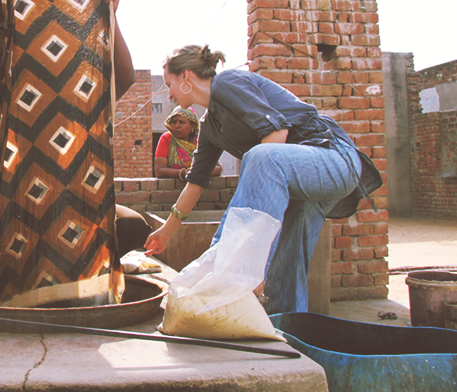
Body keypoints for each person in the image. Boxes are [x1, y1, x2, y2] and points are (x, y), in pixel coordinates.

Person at [145, 45, 381, 314]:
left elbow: (276, 133)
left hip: (331, 157)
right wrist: (166, 232)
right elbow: (196, 182)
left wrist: (255, 255)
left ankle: (237, 269)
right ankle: (288, 335)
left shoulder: (228, 82)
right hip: (297, 178)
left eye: (169, 84)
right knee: (287, 268)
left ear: (185, 77)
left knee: (260, 158)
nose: (169, 93)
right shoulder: (210, 125)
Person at [0, 0, 153, 258]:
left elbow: (125, 76)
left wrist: (110, 17)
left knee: (134, 227)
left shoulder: (85, 99)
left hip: (81, 200)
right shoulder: (16, 93)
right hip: (23, 196)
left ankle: (91, 268)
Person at [154, 106, 222, 179]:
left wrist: (196, 173)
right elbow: (159, 170)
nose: (177, 126)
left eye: (182, 122)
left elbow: (218, 169)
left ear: (192, 125)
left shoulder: (200, 140)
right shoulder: (167, 138)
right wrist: (184, 173)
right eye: (174, 122)